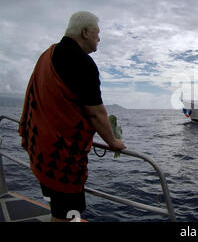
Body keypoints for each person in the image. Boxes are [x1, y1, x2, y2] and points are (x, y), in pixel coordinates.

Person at [19, 11, 126, 222]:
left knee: (58, 210)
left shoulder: (47, 55)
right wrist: (112, 141)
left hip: (40, 147)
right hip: (61, 156)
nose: (99, 38)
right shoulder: (82, 62)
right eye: (97, 33)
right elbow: (95, 113)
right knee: (66, 215)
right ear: (85, 32)